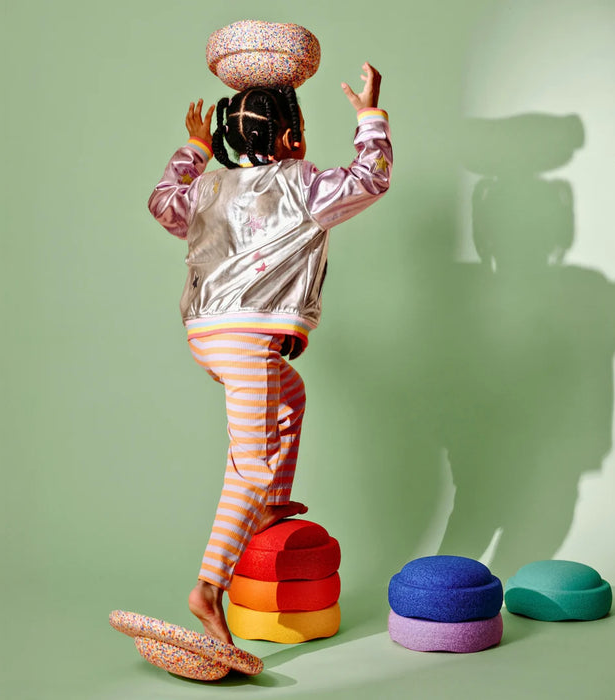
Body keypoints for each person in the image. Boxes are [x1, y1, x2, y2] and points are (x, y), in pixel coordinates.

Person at [148, 62, 392, 644]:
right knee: (251, 464)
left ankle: (268, 506)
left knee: (290, 396)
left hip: (207, 334)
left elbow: (162, 203)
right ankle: (208, 589)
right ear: (290, 137)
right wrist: (370, 117)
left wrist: (194, 150)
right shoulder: (302, 184)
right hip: (248, 335)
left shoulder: (207, 187)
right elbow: (371, 178)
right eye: (300, 125)